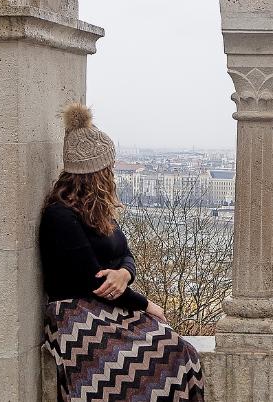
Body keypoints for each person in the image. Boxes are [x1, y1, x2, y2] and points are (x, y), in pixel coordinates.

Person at [40, 103, 204, 401]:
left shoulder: (97, 210)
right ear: (94, 173)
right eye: (108, 167)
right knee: (173, 352)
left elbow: (126, 254)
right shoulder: (60, 216)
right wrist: (146, 304)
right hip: (75, 314)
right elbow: (95, 282)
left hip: (103, 306)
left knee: (184, 354)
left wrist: (124, 272)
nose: (113, 173)